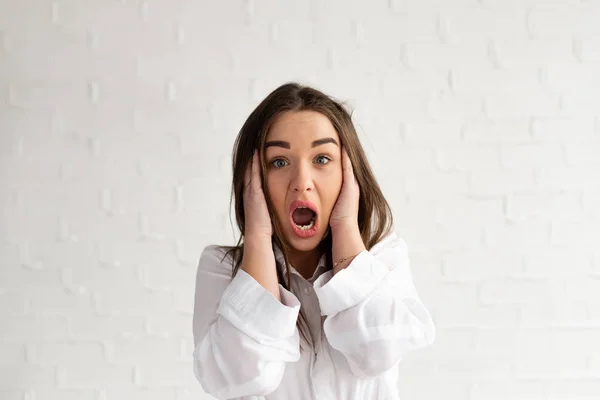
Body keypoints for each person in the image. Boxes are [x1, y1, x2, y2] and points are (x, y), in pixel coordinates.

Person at [192, 82, 435, 400]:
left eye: (322, 159)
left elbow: (378, 354)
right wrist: (257, 236)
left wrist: (346, 225)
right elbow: (238, 379)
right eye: (279, 162)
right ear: (253, 178)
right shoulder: (223, 270)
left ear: (349, 173)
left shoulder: (384, 258)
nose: (302, 183)